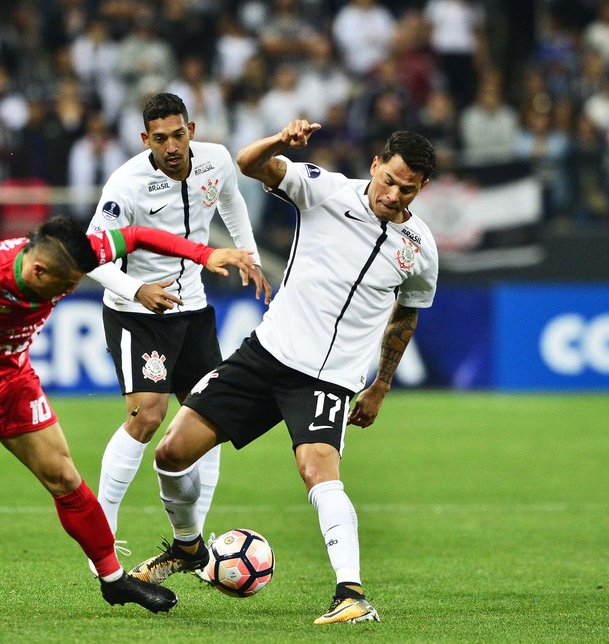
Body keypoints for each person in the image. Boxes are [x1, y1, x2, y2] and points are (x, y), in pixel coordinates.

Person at [0, 215, 257, 625]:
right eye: (64, 285)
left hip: (10, 379)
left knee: (64, 476)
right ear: (37, 270)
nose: (68, 291)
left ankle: (113, 580)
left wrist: (204, 254)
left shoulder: (74, 252)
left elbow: (136, 236)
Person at [129, 123, 439, 626]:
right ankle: (187, 548)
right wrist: (280, 141)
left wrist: (381, 384)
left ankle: (351, 594)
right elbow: (247, 164)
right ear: (376, 165)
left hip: (328, 378)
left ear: (421, 188)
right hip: (267, 354)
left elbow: (406, 314)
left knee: (318, 469)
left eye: (408, 189)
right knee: (171, 452)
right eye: (390, 180)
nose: (393, 195)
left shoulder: (421, 249)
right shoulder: (323, 190)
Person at [85, 93, 271, 559]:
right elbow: (91, 254)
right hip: (138, 314)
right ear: (145, 139)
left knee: (207, 418)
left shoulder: (216, 160)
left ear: (191, 130)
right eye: (160, 139)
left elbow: (231, 202)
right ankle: (100, 535)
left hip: (194, 309)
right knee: (147, 415)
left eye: (178, 135)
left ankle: (195, 541)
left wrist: (248, 255)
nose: (171, 147)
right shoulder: (126, 184)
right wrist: (136, 289)